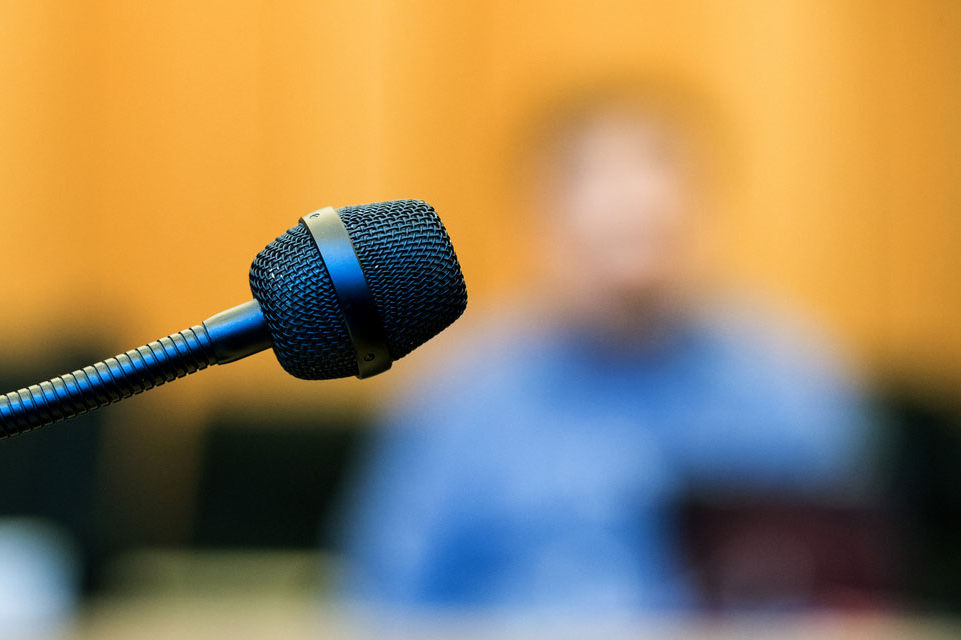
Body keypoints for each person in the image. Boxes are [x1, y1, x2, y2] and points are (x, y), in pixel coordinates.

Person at [335, 80, 871, 616]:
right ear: (538, 221)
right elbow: (383, 605)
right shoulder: (457, 396)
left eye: (653, 230)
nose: (630, 258)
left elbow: (851, 601)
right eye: (607, 231)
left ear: (708, 213)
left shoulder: (792, 386)